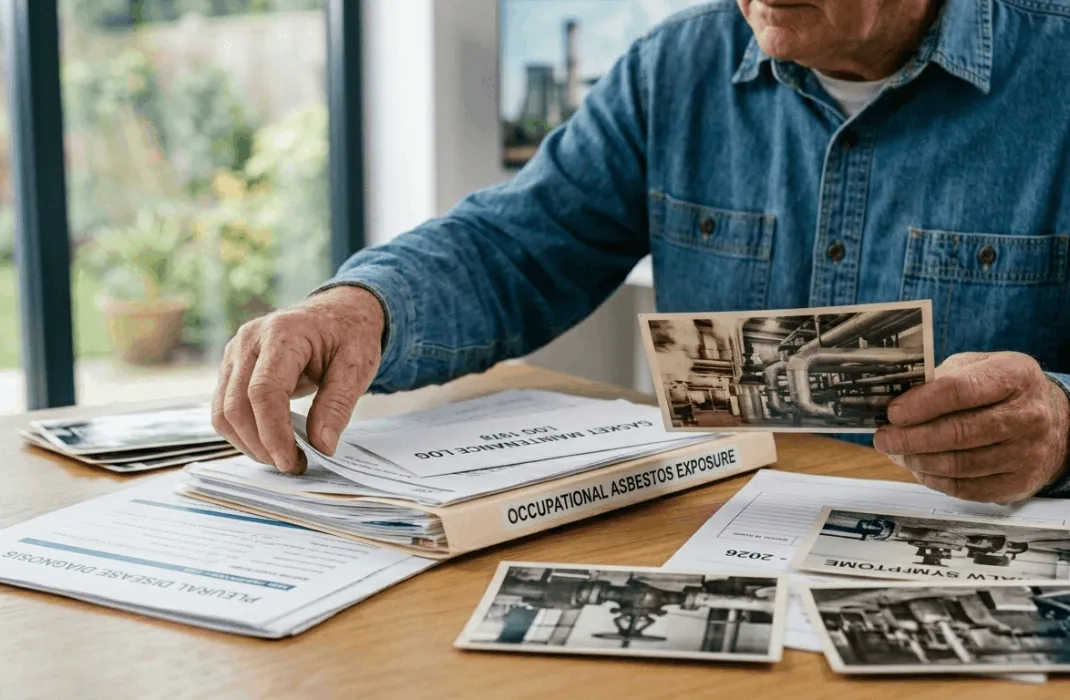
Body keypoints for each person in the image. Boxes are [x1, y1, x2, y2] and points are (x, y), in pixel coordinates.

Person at [211, 0, 1070, 504]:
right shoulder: (673, 69)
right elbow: (518, 245)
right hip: (714, 547)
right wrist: (362, 308)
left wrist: (1062, 428)